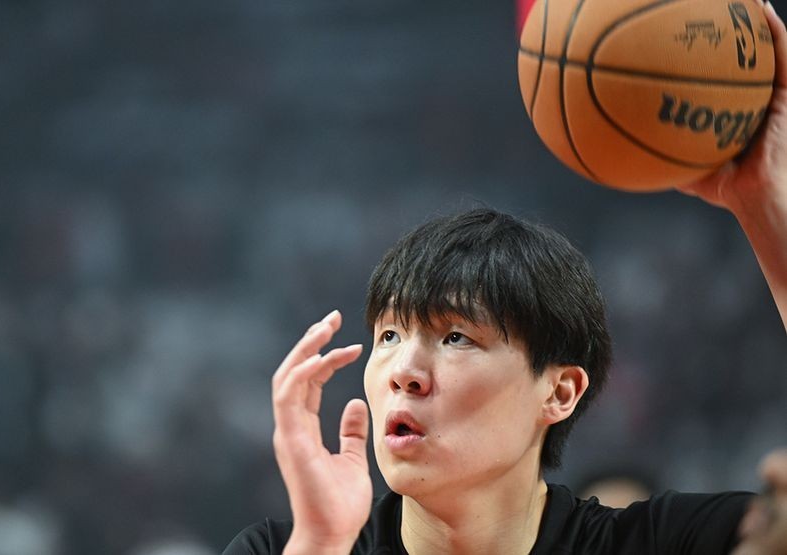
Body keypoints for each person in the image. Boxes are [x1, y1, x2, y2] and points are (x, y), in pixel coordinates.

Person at [224, 0, 787, 553]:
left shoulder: (660, 542)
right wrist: (321, 543)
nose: (404, 374)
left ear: (559, 390)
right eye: (389, 336)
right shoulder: (282, 547)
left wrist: (762, 204)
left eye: (455, 338)